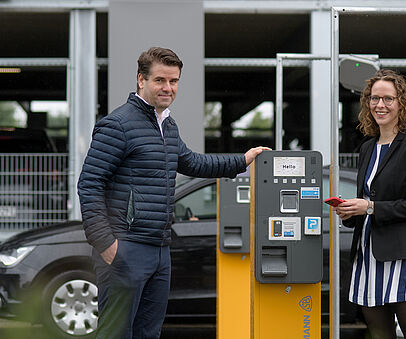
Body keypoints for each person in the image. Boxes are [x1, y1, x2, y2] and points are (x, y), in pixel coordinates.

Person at [77, 47, 269, 339]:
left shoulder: (166, 124)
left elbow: (192, 162)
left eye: (174, 81)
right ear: (141, 80)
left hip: (159, 248)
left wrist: (241, 161)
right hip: (126, 247)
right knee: (115, 334)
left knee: (148, 333)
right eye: (160, 80)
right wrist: (106, 244)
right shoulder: (118, 125)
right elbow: (89, 183)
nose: (168, 88)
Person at [334, 69, 406, 339]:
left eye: (388, 99)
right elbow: (366, 200)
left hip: (404, 254)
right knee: (379, 334)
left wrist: (369, 207)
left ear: (401, 103)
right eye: (374, 98)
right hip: (369, 254)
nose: (380, 105)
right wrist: (348, 211)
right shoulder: (367, 147)